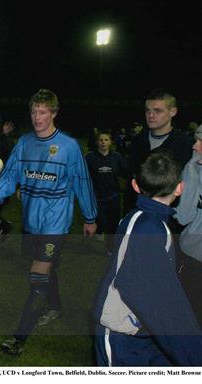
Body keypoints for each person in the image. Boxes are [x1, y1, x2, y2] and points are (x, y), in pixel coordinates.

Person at [0, 89, 97, 356]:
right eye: (33, 112)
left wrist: (90, 216)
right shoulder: (24, 143)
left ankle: (19, 338)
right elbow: (11, 172)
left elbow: (82, 182)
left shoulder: (69, 147)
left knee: (38, 276)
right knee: (47, 270)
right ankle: (56, 306)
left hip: (55, 224)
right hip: (31, 222)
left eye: (43, 112)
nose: (37, 117)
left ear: (54, 113)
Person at [94, 152, 202, 366]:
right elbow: (153, 297)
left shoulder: (150, 220)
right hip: (121, 335)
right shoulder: (148, 228)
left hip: (139, 330)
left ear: (134, 185)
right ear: (180, 188)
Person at [125, 90, 193, 212]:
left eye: (157, 111)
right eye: (148, 110)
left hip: (170, 216)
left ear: (173, 112)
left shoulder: (186, 144)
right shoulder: (137, 141)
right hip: (136, 210)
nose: (150, 115)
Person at [85, 131, 130, 256]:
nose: (103, 143)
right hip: (96, 198)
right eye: (100, 140)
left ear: (110, 142)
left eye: (106, 140)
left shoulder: (116, 157)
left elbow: (126, 172)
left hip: (113, 196)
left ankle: (110, 248)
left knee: (113, 224)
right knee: (101, 221)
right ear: (96, 142)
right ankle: (99, 230)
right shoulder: (89, 158)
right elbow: (82, 177)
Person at [176, 125, 202, 327]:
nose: (195, 146)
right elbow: (184, 217)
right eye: (196, 139)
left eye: (201, 141)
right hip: (193, 256)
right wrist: (192, 173)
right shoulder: (192, 169)